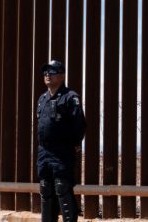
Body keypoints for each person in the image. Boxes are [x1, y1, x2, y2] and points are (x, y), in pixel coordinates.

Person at [36, 60, 86, 222]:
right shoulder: (42, 98)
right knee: (45, 189)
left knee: (62, 188)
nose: (47, 75)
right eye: (45, 73)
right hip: (44, 152)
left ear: (62, 76)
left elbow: (79, 125)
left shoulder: (70, 97)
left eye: (52, 72)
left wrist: (72, 145)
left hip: (61, 152)